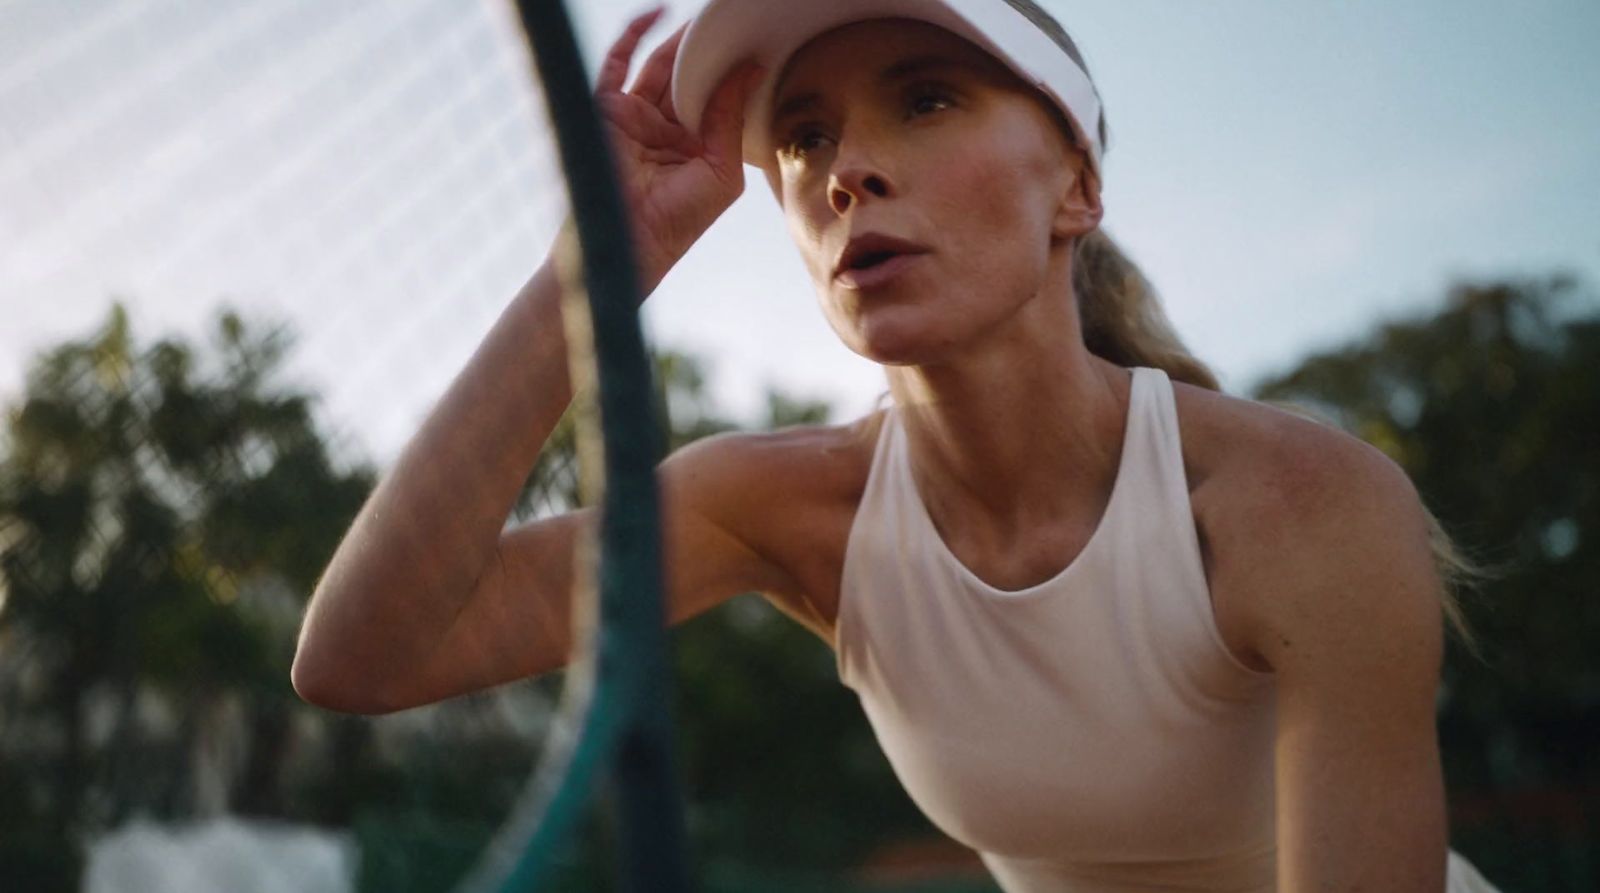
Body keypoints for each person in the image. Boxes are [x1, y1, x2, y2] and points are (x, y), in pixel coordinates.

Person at [292, 1, 1503, 890]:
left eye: (926, 99)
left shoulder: (1301, 500)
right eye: (806, 137)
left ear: (1075, 185)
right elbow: (366, 656)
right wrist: (601, 261)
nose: (846, 172)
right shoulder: (782, 507)